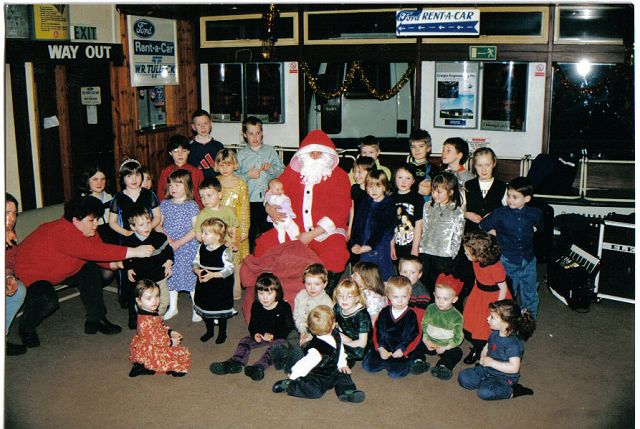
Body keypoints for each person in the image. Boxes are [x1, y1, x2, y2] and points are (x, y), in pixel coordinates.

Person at [15, 196, 154, 347]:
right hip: (34, 276)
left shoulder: (87, 231)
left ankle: (96, 319)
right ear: (75, 220)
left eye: (97, 219)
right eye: (91, 220)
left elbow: (98, 251)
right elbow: (93, 251)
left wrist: (115, 264)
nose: (96, 224)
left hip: (62, 269)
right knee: (48, 300)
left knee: (93, 270)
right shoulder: (62, 231)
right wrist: (134, 251)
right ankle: (26, 329)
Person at [257, 130, 351, 285]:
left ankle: (325, 295)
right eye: (310, 152)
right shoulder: (292, 172)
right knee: (264, 244)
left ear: (327, 154)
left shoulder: (340, 176)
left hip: (325, 232)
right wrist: (268, 207)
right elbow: (271, 191)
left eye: (319, 152)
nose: (314, 156)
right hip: (294, 228)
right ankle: (276, 290)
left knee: (336, 254)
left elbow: (340, 209)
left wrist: (313, 234)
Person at [272, 305, 366, 403]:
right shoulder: (316, 351)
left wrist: (342, 364)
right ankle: (290, 386)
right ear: (333, 324)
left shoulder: (336, 334)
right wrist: (293, 375)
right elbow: (304, 365)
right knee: (315, 391)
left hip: (333, 369)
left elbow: (340, 350)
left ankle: (346, 392)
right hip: (318, 377)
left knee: (343, 373)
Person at [210, 273, 294, 381]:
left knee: (277, 346)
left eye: (269, 294)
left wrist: (273, 336)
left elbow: (289, 328)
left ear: (277, 293)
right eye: (261, 293)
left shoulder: (284, 307)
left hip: (279, 337)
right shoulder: (256, 305)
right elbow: (253, 324)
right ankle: (235, 362)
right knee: (245, 340)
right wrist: (256, 334)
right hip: (262, 335)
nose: (264, 298)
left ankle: (259, 367)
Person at [480, 177, 542, 319]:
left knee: (530, 293)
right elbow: (483, 225)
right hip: (508, 260)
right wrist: (498, 234)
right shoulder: (500, 213)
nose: (509, 200)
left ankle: (528, 321)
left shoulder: (534, 213)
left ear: (527, 199)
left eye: (515, 197)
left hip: (528, 260)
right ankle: (507, 321)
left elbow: (540, 224)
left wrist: (534, 229)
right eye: (508, 195)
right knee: (508, 292)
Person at [458, 299, 536, 400]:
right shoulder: (494, 333)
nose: (487, 318)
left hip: (504, 377)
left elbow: (514, 368)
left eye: (492, 317)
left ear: (506, 323)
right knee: (463, 377)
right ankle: (486, 382)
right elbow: (487, 346)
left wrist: (491, 363)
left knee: (485, 393)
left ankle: (512, 391)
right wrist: (483, 356)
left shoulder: (513, 345)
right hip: (487, 370)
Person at [109, 159, 161, 305]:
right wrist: (126, 233)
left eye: (137, 175)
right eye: (129, 176)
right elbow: (112, 222)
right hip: (129, 238)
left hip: (146, 235)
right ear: (123, 178)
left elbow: (157, 216)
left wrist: (149, 229)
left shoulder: (149, 194)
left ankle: (151, 301)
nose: (134, 179)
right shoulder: (118, 198)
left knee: (148, 269)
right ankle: (132, 307)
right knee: (130, 271)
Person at [461, 231, 512, 365]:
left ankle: (486, 350)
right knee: (473, 321)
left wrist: (497, 308)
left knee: (486, 327)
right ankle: (476, 348)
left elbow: (503, 288)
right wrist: (473, 294)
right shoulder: (475, 261)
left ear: (480, 253)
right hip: (479, 293)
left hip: (494, 298)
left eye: (468, 252)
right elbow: (477, 278)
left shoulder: (495, 267)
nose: (465, 254)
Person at [236, 116, 285, 251]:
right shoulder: (241, 155)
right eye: (251, 134)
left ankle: (269, 263)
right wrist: (247, 175)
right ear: (245, 135)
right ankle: (250, 261)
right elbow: (234, 178)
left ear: (262, 132)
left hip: (268, 201)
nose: (255, 137)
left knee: (269, 233)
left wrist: (271, 169)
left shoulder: (270, 151)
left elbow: (282, 172)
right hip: (248, 201)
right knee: (249, 235)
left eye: (258, 133)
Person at [121, 204, 174, 327]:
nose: (146, 227)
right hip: (141, 280)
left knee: (164, 300)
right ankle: (143, 320)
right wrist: (128, 269)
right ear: (132, 227)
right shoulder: (129, 241)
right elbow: (125, 257)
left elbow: (168, 252)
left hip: (159, 277)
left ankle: (157, 318)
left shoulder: (159, 237)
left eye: (148, 222)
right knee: (141, 303)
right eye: (141, 224)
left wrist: (168, 263)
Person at [158, 169, 200, 321]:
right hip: (170, 246)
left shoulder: (192, 205)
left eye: (177, 184)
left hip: (188, 245)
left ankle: (197, 308)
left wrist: (179, 242)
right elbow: (158, 225)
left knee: (191, 277)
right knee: (171, 276)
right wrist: (168, 239)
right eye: (170, 185)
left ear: (187, 187)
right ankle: (173, 306)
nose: (173, 188)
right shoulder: (165, 204)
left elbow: (195, 229)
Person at [362, 276, 422, 379]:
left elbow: (414, 336)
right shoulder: (384, 311)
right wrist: (380, 348)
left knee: (395, 373)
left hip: (400, 351)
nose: (400, 301)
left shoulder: (411, 315)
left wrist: (403, 350)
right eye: (395, 297)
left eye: (404, 296)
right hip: (384, 348)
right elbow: (377, 330)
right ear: (388, 296)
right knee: (368, 366)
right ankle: (381, 358)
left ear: (409, 296)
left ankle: (410, 361)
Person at [128, 279, 191, 377]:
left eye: (157, 296)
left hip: (154, 342)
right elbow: (156, 339)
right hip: (153, 347)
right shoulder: (145, 321)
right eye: (149, 298)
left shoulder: (150, 311)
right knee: (176, 360)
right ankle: (145, 366)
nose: (154, 301)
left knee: (178, 354)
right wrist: (171, 342)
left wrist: (170, 332)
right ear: (139, 301)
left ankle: (144, 365)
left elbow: (159, 327)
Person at [418, 172, 465, 292]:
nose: (434, 195)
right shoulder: (427, 206)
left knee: (442, 287)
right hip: (426, 252)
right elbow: (425, 227)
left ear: (450, 192)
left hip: (445, 256)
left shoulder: (457, 211)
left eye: (439, 192)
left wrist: (452, 253)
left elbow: (458, 235)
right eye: (433, 191)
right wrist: (421, 248)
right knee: (426, 285)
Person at [192, 218, 236, 344]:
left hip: (220, 284)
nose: (202, 236)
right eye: (202, 232)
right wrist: (197, 270)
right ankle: (210, 331)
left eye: (206, 233)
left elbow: (230, 269)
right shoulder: (201, 247)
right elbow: (196, 262)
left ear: (217, 236)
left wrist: (214, 275)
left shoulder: (225, 250)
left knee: (220, 308)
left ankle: (222, 333)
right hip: (205, 283)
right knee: (206, 308)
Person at [215, 148, 250, 300]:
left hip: (236, 225)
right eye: (221, 165)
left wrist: (244, 229)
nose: (224, 168)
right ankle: (222, 283)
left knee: (236, 256)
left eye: (228, 165)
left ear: (234, 165)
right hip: (218, 225)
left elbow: (244, 208)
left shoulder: (241, 184)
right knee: (220, 255)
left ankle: (236, 282)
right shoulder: (215, 182)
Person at [350, 170, 396, 281]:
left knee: (382, 277)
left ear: (384, 187)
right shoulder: (364, 203)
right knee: (365, 277)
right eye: (370, 186)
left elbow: (382, 230)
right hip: (364, 245)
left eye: (378, 186)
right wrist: (355, 243)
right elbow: (357, 226)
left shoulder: (389, 205)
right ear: (366, 188)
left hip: (380, 246)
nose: (374, 190)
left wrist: (370, 246)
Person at [418, 273, 464, 381]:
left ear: (454, 299)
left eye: (445, 299)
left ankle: (443, 366)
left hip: (445, 345)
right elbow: (424, 324)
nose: (440, 301)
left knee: (457, 352)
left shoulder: (457, 316)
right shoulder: (430, 308)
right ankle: (418, 361)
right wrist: (425, 340)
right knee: (415, 342)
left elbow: (458, 337)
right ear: (434, 295)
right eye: (438, 297)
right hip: (429, 342)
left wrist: (446, 347)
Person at [464, 148, 507, 232]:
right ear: (475, 165)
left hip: (494, 233)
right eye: (480, 165)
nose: (484, 169)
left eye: (487, 165)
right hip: (471, 233)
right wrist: (466, 214)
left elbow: (509, 210)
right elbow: (459, 208)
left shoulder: (501, 186)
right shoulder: (468, 185)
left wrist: (494, 215)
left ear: (494, 164)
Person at [5, 193, 27, 355]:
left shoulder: (10, 236)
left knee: (18, 289)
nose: (11, 218)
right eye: (6, 213)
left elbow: (9, 263)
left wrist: (8, 277)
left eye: (14, 214)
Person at [332, 279, 371, 368]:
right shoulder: (337, 307)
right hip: (343, 335)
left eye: (349, 296)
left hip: (357, 343)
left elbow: (362, 343)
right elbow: (331, 323)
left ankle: (344, 361)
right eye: (340, 296)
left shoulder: (362, 316)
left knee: (335, 355)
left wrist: (342, 342)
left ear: (357, 298)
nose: (344, 299)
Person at [158, 134, 205, 207]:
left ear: (188, 152)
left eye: (184, 150)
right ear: (170, 153)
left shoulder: (197, 172)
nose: (180, 154)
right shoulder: (165, 172)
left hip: (193, 209)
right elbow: (161, 195)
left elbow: (201, 196)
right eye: (176, 151)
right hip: (171, 209)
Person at [391, 163, 424, 262]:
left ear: (413, 181)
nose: (403, 182)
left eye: (408, 178)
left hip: (412, 244)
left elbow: (419, 224)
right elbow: (390, 225)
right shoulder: (390, 199)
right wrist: (391, 246)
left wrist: (415, 248)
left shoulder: (417, 198)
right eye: (400, 177)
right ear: (395, 178)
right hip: (397, 244)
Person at [293, 263, 333, 346]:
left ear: (325, 284)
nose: (312, 288)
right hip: (300, 328)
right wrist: (303, 331)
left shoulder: (326, 303)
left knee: (310, 347)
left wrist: (309, 336)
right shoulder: (301, 295)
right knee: (289, 339)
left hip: (318, 334)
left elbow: (325, 328)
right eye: (308, 284)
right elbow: (297, 316)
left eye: (317, 284)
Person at [193, 176, 238, 247]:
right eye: (202, 196)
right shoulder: (202, 215)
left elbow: (233, 228)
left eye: (209, 195)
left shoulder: (229, 211)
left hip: (227, 250)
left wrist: (233, 242)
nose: (205, 199)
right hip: (211, 250)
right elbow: (198, 236)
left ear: (219, 195)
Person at [187, 109, 224, 179]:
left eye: (205, 123)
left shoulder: (219, 146)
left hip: (215, 185)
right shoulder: (189, 147)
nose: (203, 127)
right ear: (193, 127)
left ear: (210, 124)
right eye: (199, 124)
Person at [347, 156, 376, 242]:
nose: (356, 175)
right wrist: (349, 229)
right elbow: (352, 210)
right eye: (354, 172)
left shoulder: (375, 191)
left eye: (359, 172)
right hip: (357, 228)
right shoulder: (355, 189)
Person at [265, 178, 299, 244]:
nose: (280, 191)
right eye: (277, 189)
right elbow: (276, 201)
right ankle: (282, 244)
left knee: (295, 228)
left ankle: (296, 242)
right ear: (270, 191)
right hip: (279, 218)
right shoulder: (272, 197)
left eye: (281, 189)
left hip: (287, 218)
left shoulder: (282, 196)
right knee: (281, 231)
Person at [407, 129, 435, 202]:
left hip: (426, 205)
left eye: (421, 146)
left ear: (428, 148)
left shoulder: (433, 169)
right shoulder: (405, 168)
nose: (417, 150)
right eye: (413, 147)